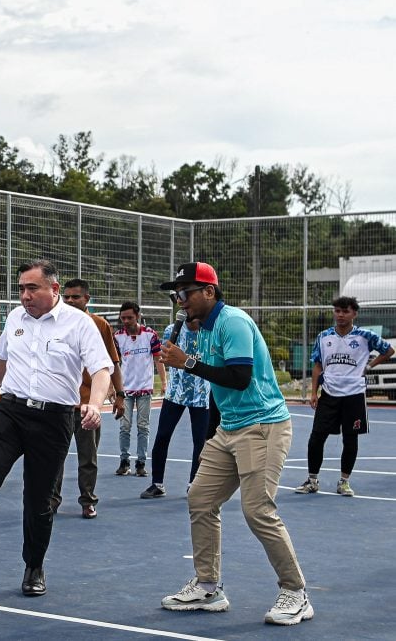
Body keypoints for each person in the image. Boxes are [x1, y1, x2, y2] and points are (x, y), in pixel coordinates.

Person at [0, 260, 112, 596]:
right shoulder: (15, 317)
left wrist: (96, 404)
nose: (25, 295)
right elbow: (2, 359)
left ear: (53, 289)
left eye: (32, 288)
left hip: (54, 419)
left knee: (39, 500)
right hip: (10, 412)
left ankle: (34, 567)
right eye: (22, 289)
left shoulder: (79, 324)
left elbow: (101, 369)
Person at [159, 262, 312, 626]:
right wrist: (215, 432)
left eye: (185, 293)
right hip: (230, 428)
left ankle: (296, 592)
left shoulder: (234, 322)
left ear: (209, 292)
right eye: (176, 295)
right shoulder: (205, 329)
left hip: (262, 426)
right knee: (200, 499)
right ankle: (208, 586)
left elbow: (240, 378)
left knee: (257, 510)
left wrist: (187, 362)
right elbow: (219, 392)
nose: (180, 302)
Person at [296, 296, 393, 497]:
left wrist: (369, 366)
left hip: (354, 395)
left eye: (345, 311)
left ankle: (344, 482)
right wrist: (313, 392)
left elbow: (389, 350)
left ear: (354, 314)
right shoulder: (324, 337)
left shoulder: (365, 336)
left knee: (350, 439)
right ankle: (312, 480)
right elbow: (317, 365)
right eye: (337, 311)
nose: (340, 315)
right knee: (316, 438)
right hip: (329, 394)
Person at [54, 278, 124, 519]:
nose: (71, 300)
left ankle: (87, 500)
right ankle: (51, 500)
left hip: (87, 404)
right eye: (68, 296)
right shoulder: (54, 322)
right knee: (54, 457)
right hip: (59, 403)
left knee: (88, 457)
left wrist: (119, 394)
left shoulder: (99, 325)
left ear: (87, 299)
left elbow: (113, 362)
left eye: (76, 297)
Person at [141, 316, 210, 499]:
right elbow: (164, 356)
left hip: (201, 394)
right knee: (162, 436)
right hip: (175, 393)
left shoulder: (209, 332)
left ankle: (193, 485)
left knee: (199, 442)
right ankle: (157, 483)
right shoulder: (173, 329)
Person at [113, 301, 167, 477]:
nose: (126, 321)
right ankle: (124, 461)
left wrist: (164, 382)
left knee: (143, 426)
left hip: (145, 389)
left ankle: (141, 463)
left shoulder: (150, 335)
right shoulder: (118, 337)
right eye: (123, 318)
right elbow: (113, 364)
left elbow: (158, 359)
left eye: (130, 317)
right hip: (125, 390)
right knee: (125, 426)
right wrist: (112, 388)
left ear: (138, 316)